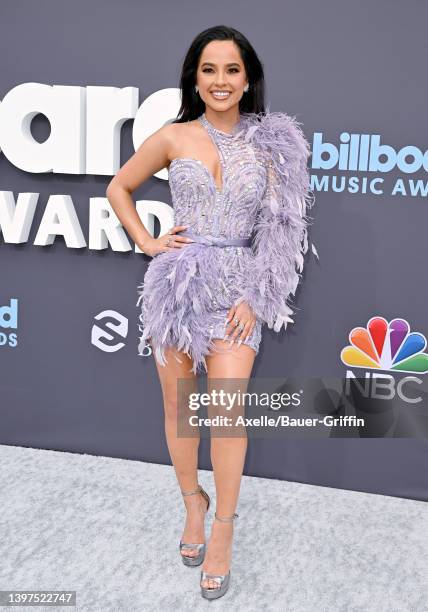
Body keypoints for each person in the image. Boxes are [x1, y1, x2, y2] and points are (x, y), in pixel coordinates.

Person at [106, 24, 314, 600]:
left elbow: (282, 229)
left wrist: (258, 296)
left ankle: (222, 529)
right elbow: (119, 187)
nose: (220, 81)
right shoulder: (172, 136)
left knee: (226, 415)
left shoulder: (273, 143)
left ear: (248, 79)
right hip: (178, 287)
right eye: (208, 70)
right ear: (194, 79)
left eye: (231, 70)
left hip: (241, 293)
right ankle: (192, 505)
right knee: (181, 412)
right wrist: (149, 244)